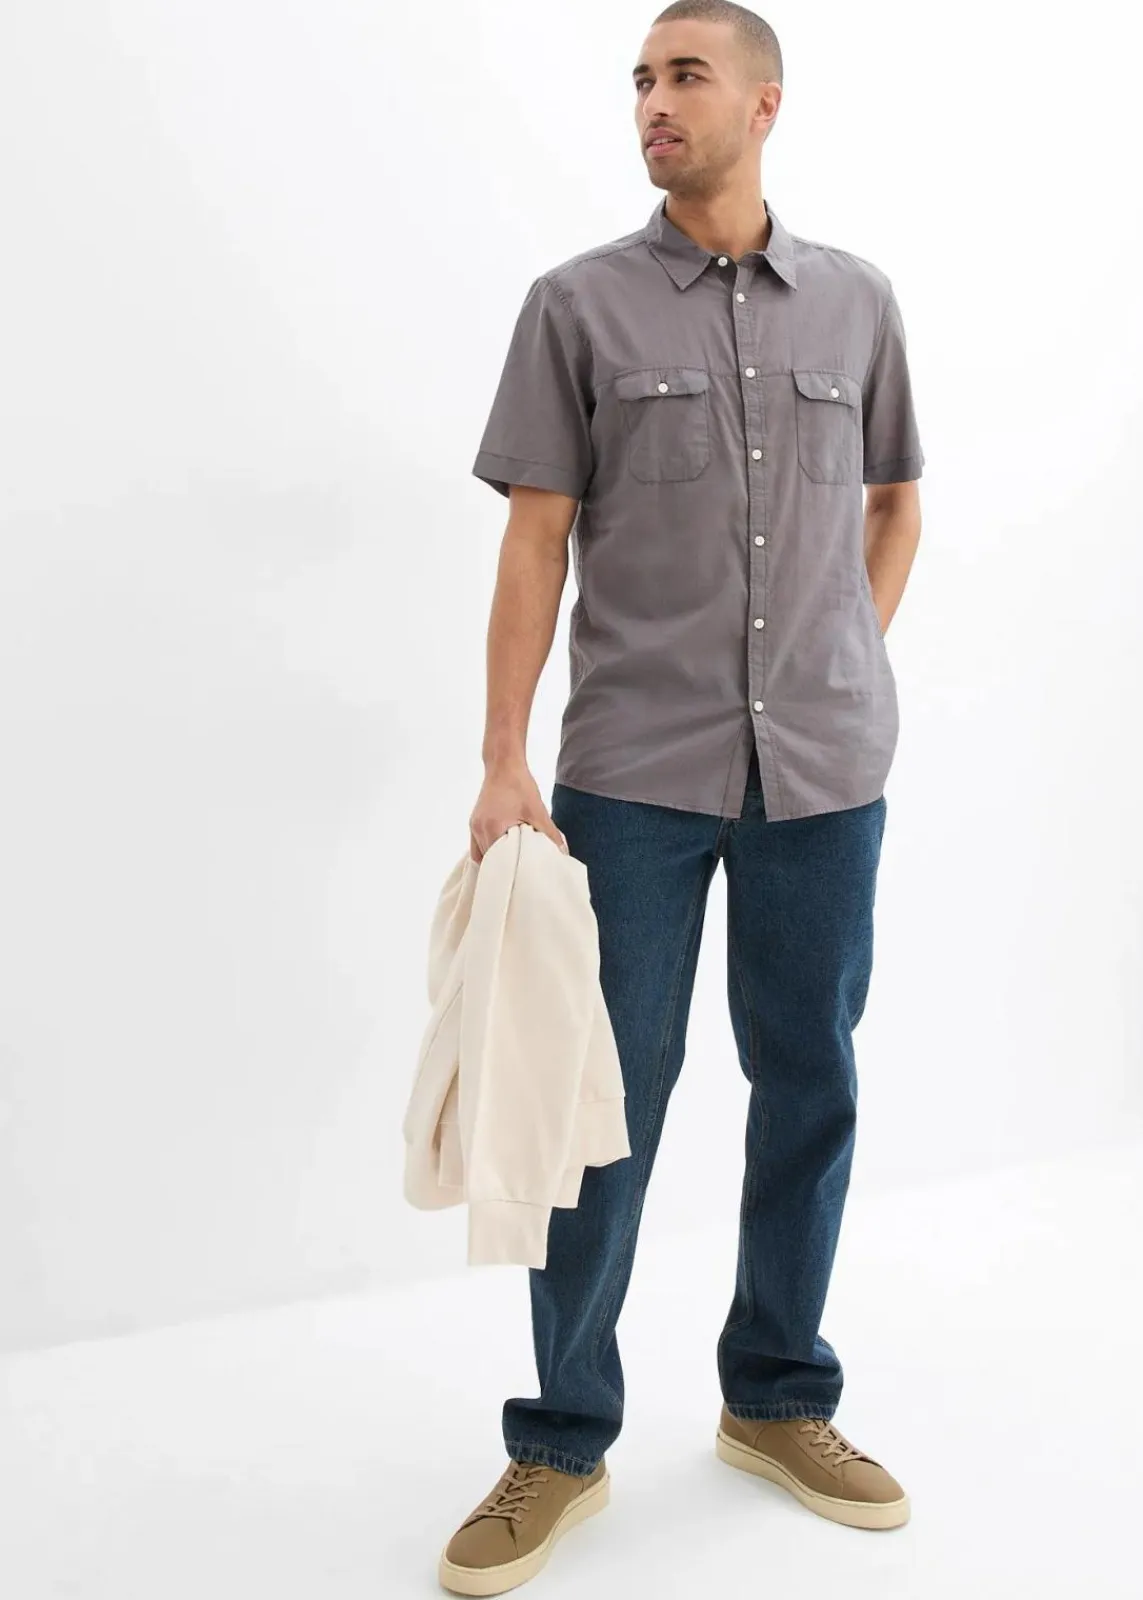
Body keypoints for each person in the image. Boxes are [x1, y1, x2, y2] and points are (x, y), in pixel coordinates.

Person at [439, 2, 924, 1591]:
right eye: (640, 79)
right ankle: (559, 1438)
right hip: (631, 779)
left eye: (684, 75)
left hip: (823, 781)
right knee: (602, 1110)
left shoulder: (857, 303)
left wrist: (842, 660)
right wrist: (503, 758)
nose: (653, 100)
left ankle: (776, 1400)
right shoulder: (573, 306)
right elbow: (533, 540)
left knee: (810, 1083)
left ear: (763, 105)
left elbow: (896, 503)